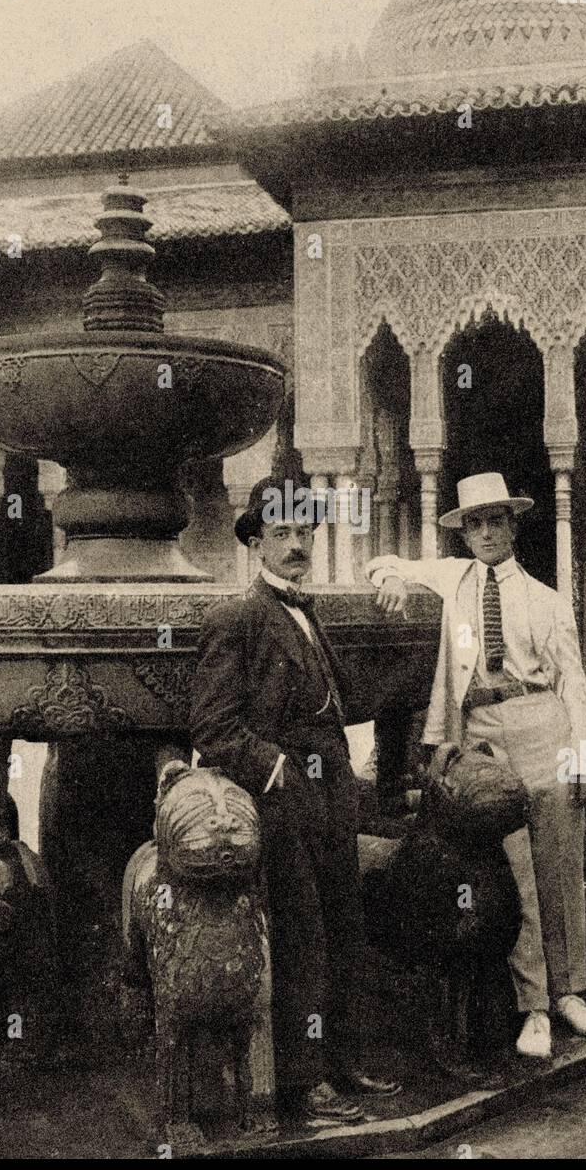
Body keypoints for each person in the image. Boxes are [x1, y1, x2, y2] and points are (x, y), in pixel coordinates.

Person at [367, 471, 586, 1059]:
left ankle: (572, 991)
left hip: (539, 720)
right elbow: (378, 561)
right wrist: (394, 576)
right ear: (464, 532)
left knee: (560, 856)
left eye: (495, 520)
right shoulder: (452, 579)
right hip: (479, 733)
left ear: (512, 525)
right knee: (516, 861)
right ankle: (533, 1007)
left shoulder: (546, 600)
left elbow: (573, 682)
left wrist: (582, 750)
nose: (485, 533)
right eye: (474, 523)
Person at [189, 476, 401, 1126]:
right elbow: (212, 727)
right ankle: (300, 1089)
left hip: (332, 795)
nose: (295, 543)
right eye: (281, 532)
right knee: (301, 939)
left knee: (344, 929)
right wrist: (275, 768)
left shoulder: (308, 613)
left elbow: (345, 701)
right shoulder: (237, 618)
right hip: (282, 805)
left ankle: (342, 1063)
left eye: (304, 532)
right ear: (255, 543)